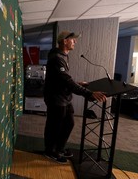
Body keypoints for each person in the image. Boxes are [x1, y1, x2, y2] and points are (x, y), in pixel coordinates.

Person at [43, 30, 107, 164]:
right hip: (56, 99)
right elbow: (66, 81)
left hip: (64, 97)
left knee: (69, 123)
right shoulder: (56, 58)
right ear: (65, 41)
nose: (75, 42)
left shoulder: (63, 56)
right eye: (73, 39)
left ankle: (59, 148)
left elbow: (62, 79)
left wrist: (78, 83)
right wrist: (89, 93)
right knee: (54, 126)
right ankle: (50, 151)